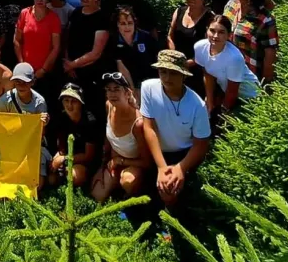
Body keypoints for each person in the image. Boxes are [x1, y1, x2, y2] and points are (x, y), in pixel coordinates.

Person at [140, 50, 211, 210]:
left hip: (184, 153)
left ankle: (171, 215)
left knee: (169, 187)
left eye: (173, 73)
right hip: (157, 149)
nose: (166, 78)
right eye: (162, 72)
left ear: (183, 75)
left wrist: (181, 168)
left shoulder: (197, 105)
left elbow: (201, 144)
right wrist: (161, 167)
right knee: (138, 125)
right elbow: (148, 128)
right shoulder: (148, 88)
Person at [90, 73, 151, 202]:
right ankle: (116, 185)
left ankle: (136, 196)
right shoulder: (109, 106)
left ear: (127, 93)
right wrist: (102, 166)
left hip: (136, 165)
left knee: (128, 182)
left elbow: (147, 162)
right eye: (109, 90)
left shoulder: (138, 123)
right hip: (114, 161)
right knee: (97, 195)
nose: (112, 94)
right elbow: (108, 138)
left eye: (117, 89)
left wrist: (121, 161)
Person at [0, 63, 51, 190]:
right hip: (11, 144)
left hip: (33, 146)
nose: (21, 86)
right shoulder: (7, 98)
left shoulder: (39, 102)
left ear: (32, 82)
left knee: (39, 179)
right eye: (17, 82)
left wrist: (43, 123)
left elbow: (42, 133)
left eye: (25, 82)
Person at [194, 16, 259, 128]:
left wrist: (222, 114)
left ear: (229, 35)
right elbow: (208, 75)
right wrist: (210, 103)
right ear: (207, 30)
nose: (215, 36)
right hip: (226, 90)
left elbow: (232, 92)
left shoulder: (234, 57)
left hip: (249, 96)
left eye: (221, 32)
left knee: (228, 127)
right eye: (212, 31)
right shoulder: (200, 47)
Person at [62, 0, 111, 108]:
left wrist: (72, 65)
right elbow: (67, 39)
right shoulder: (75, 13)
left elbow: (96, 53)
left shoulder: (103, 18)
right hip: (71, 72)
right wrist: (68, 61)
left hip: (92, 73)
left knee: (93, 110)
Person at [224, 0, 279, 84]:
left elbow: (270, 54)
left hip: (248, 76)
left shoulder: (264, 19)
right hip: (225, 70)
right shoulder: (231, 6)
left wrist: (266, 82)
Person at [48, 83, 101, 188]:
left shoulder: (90, 122)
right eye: (66, 101)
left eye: (74, 101)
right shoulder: (62, 117)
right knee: (51, 180)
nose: (69, 105)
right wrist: (59, 155)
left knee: (75, 177)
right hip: (69, 157)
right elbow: (61, 144)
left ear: (81, 103)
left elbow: (88, 156)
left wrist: (64, 160)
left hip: (85, 162)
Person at [13, 0, 62, 96]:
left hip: (45, 72)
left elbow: (56, 47)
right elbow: (16, 40)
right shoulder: (25, 13)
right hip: (24, 71)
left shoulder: (54, 18)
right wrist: (22, 65)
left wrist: (43, 70)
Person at [167, 0, 214, 96]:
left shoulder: (210, 18)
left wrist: (188, 63)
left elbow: (210, 48)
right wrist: (174, 56)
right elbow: (170, 36)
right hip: (175, 65)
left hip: (198, 70)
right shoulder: (179, 12)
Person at [108, 5, 158, 101]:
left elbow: (156, 60)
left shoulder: (146, 38)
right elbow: (122, 67)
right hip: (128, 84)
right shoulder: (113, 41)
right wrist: (132, 90)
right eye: (123, 23)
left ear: (135, 23)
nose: (127, 27)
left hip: (150, 82)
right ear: (117, 24)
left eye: (130, 23)